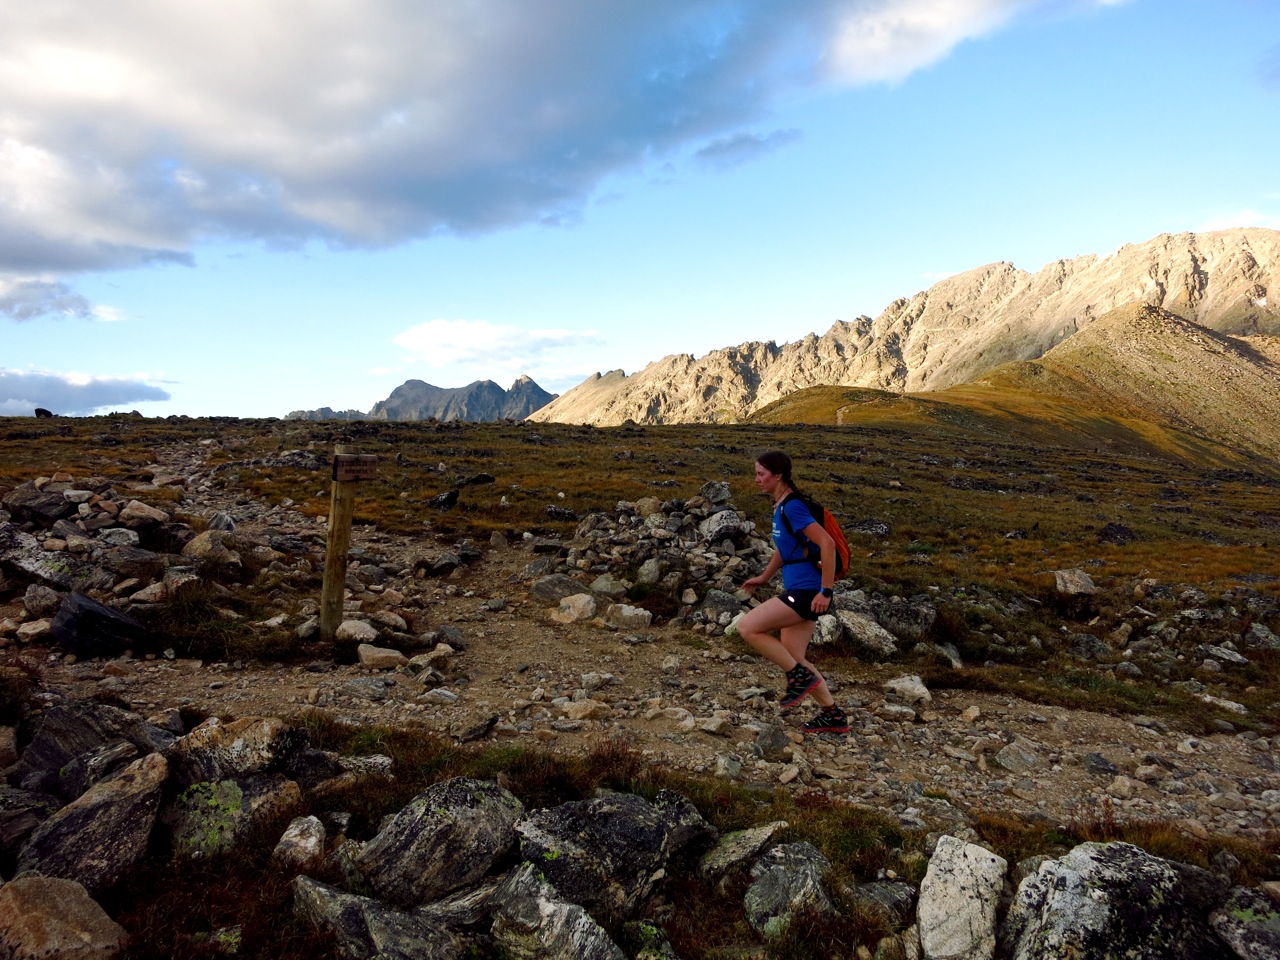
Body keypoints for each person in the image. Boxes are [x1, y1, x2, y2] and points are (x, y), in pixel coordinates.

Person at [739, 450, 850, 734]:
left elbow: (827, 544)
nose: (757, 480)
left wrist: (826, 591)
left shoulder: (793, 507)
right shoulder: (781, 506)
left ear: (778, 476)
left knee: (748, 627)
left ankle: (798, 678)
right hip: (799, 588)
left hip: (808, 590)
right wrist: (764, 577)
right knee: (793, 656)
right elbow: (785, 548)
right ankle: (833, 715)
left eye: (761, 474)